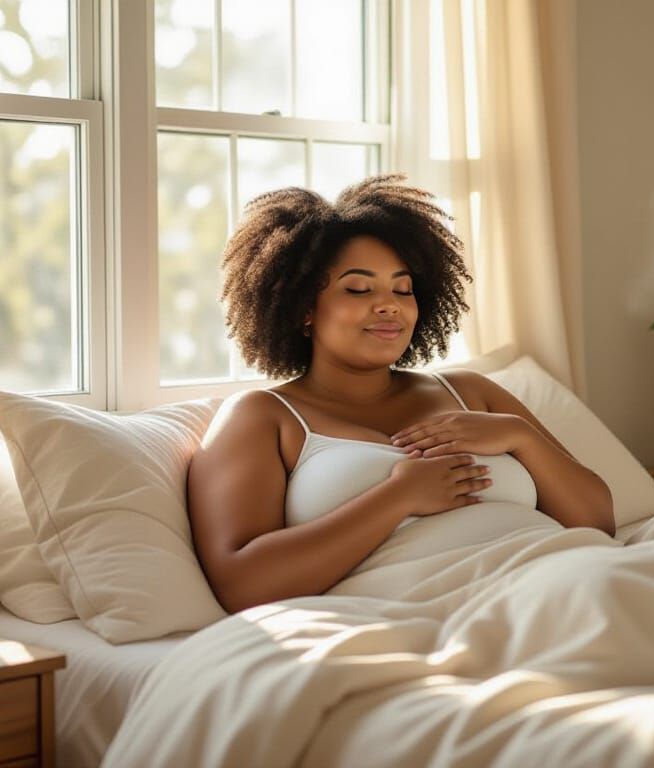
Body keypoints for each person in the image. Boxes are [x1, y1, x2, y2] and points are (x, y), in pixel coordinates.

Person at [188, 174, 614, 612]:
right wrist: (398, 497)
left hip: (570, 579)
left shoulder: (470, 391)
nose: (389, 304)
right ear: (303, 308)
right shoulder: (263, 417)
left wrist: (519, 435)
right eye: (358, 288)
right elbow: (244, 585)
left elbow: (599, 523)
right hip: (440, 614)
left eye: (402, 288)